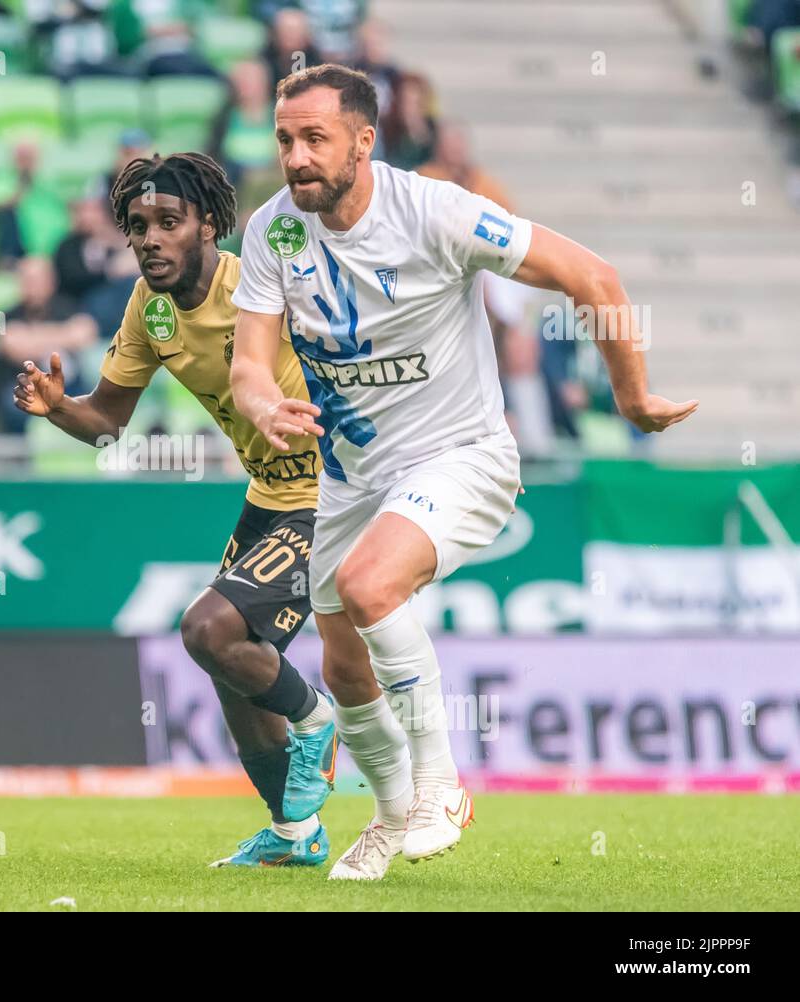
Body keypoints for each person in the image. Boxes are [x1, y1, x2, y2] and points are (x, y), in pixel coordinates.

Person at [229, 64, 697, 878]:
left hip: (463, 454)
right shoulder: (273, 231)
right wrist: (265, 403)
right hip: (350, 475)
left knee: (373, 587)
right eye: (284, 139)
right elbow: (246, 367)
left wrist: (632, 397)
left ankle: (440, 786)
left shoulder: (436, 212)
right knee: (342, 657)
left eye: (315, 139)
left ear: (363, 142)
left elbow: (595, 278)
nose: (295, 157)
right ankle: (387, 813)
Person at [15, 152, 408, 869]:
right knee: (232, 669)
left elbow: (364, 347)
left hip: (331, 493)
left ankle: (319, 722)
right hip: (267, 497)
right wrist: (56, 408)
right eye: (138, 227)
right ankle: (294, 837)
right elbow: (107, 420)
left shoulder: (260, 283)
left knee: (207, 628)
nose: (152, 239)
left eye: (170, 222)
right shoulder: (150, 307)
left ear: (208, 226)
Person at [0, 256, 97, 433]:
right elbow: (10, 345)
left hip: (68, 386)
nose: (32, 286)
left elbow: (86, 334)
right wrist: (64, 336)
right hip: (23, 387)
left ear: (51, 281)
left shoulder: (71, 306)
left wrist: (31, 336)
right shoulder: (0, 314)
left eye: (37, 279)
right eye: (27, 279)